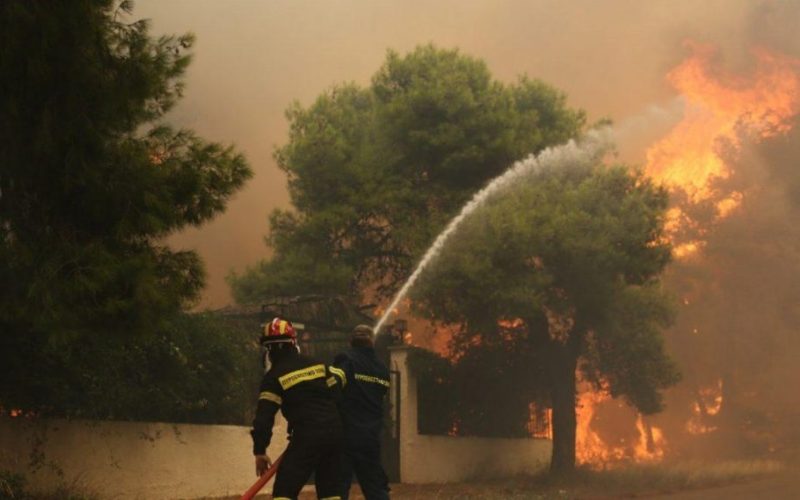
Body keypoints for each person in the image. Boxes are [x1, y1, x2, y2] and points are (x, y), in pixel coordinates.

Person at [251, 317, 344, 500]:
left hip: (307, 436)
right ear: (293, 342)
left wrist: (260, 450)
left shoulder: (273, 377)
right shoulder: (318, 365)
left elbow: (264, 417)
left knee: (284, 491)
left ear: (268, 350)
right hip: (335, 433)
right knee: (330, 491)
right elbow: (337, 396)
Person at [332, 324, 391, 500]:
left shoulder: (346, 360)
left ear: (351, 341)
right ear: (372, 341)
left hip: (346, 435)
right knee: (375, 488)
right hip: (370, 437)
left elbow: (333, 387)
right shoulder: (382, 369)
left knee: (338, 488)